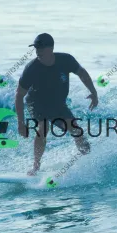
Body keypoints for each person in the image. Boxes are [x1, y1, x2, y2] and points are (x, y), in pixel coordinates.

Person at [16, 33, 98, 175]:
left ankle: (89, 160)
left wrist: (93, 92)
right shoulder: (31, 68)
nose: (38, 51)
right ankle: (36, 167)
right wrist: (21, 123)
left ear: (51, 48)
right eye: (36, 48)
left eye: (41, 47)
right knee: (43, 127)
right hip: (37, 102)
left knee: (77, 131)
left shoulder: (66, 60)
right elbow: (19, 95)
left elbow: (82, 73)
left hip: (57, 104)